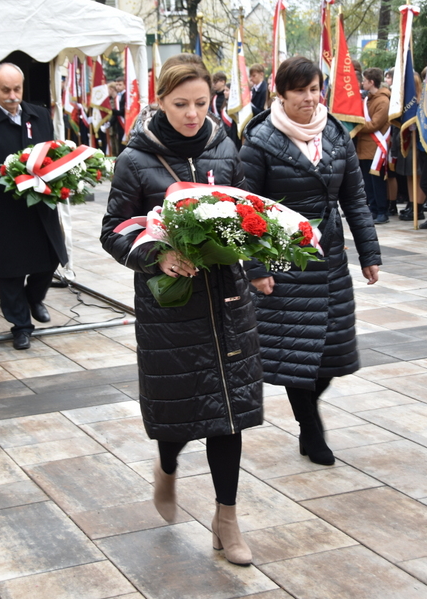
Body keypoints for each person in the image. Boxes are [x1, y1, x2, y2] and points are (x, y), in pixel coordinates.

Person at [100, 54, 263, 567]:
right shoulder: (135, 159)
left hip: (226, 299)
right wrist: (157, 254)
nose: (193, 113)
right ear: (161, 101)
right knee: (176, 415)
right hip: (170, 308)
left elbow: (246, 211)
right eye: (180, 104)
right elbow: (114, 229)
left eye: (201, 103)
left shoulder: (226, 145)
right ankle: (167, 466)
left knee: (228, 414)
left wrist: (255, 256)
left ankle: (227, 518)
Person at [239, 56, 382, 466]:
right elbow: (247, 208)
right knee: (297, 354)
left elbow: (355, 197)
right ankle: (311, 429)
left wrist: (369, 253)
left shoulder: (335, 133)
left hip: (331, 261)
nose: (308, 97)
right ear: (280, 94)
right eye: (299, 90)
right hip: (287, 260)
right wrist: (255, 268)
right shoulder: (261, 140)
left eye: (314, 88)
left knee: (333, 355)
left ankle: (308, 421)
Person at [0, 63, 68, 350]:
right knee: (11, 272)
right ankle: (20, 325)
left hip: (41, 203)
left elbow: (52, 151)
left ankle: (34, 298)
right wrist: (15, 177)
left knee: (52, 257)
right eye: (6, 89)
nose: (12, 95)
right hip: (5, 209)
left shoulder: (39, 114)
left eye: (17, 89)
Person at [353, 68, 391, 224]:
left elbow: (375, 124)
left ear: (371, 82)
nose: (362, 83)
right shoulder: (367, 99)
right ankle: (373, 209)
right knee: (368, 183)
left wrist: (355, 126)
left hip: (376, 148)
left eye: (365, 80)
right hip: (364, 147)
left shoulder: (383, 101)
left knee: (378, 183)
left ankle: (383, 211)